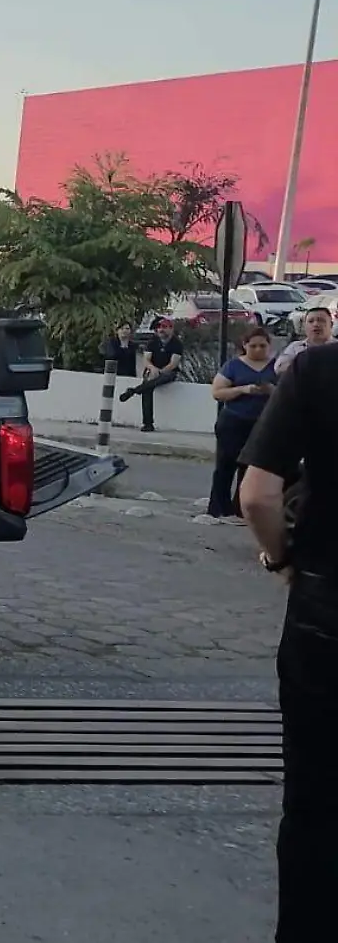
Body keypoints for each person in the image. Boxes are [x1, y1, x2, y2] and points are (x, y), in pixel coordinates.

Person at [236, 339, 338, 943]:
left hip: (327, 613)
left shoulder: (319, 370)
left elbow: (256, 494)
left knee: (315, 806)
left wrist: (280, 559)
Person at [207, 326, 277, 523]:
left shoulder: (276, 367)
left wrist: (271, 390)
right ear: (245, 345)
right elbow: (217, 392)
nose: (257, 350)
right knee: (225, 465)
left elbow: (287, 393)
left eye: (262, 346)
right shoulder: (233, 366)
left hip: (262, 423)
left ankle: (241, 509)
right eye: (253, 346)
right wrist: (244, 389)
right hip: (233, 421)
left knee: (250, 468)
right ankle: (218, 508)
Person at [119, 317, 183, 431]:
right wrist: (153, 369)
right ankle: (148, 423)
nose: (161, 330)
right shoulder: (152, 342)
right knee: (147, 388)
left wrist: (160, 372)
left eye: (164, 327)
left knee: (155, 381)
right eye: (159, 328)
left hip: (168, 372)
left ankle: (133, 391)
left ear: (171, 329)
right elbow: (146, 359)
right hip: (152, 370)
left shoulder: (176, 344)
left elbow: (173, 364)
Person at [276, 307, 334, 375]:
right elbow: (279, 368)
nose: (315, 324)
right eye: (310, 321)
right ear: (305, 326)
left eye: (321, 320)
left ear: (331, 324)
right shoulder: (295, 347)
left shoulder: (335, 347)